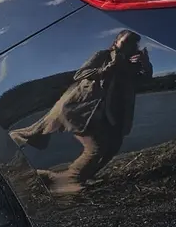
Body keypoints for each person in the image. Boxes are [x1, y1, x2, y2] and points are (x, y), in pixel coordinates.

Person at [11, 30, 151, 193]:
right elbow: (81, 74)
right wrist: (108, 68)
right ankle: (69, 182)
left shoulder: (130, 66)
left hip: (110, 114)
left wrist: (145, 64)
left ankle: (80, 177)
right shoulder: (103, 55)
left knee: (113, 146)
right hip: (83, 110)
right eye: (126, 42)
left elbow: (144, 80)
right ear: (116, 42)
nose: (130, 46)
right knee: (96, 147)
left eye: (134, 43)